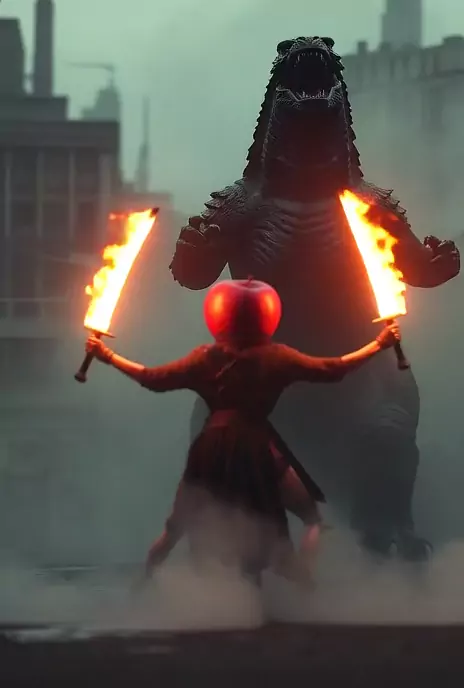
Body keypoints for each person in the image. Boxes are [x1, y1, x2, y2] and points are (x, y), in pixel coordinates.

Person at [85, 279, 401, 588]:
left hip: (210, 450)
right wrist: (379, 344)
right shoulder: (276, 357)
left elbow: (152, 379)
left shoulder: (205, 358)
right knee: (312, 518)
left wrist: (107, 355)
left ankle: (142, 585)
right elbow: (332, 370)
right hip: (254, 447)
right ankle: (304, 584)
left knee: (175, 529)